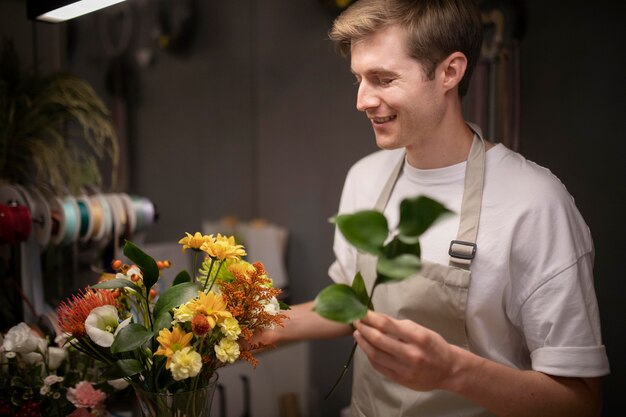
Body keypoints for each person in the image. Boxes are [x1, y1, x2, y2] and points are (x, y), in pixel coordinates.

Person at [258, 0, 610, 416]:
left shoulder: (536, 204)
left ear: (450, 71)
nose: (362, 100)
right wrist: (254, 328)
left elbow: (582, 402)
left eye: (383, 79)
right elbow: (355, 305)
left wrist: (453, 373)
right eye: (358, 79)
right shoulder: (365, 178)